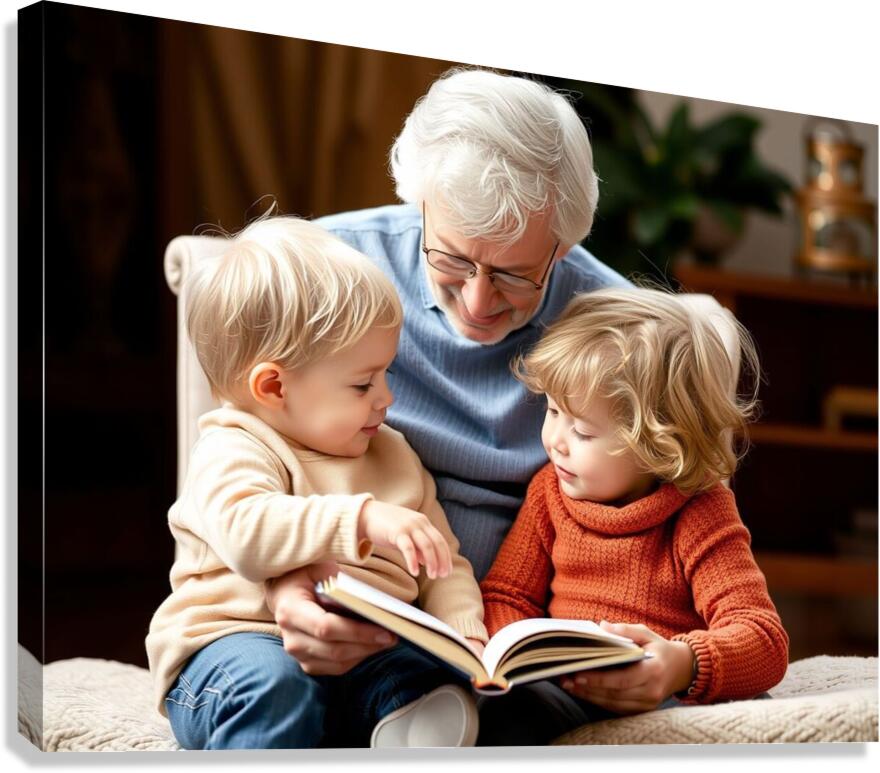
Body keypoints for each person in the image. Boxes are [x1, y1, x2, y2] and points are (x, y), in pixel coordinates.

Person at [265, 67, 631, 689]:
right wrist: (280, 585)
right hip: (344, 613)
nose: (479, 302)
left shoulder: (614, 326)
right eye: (453, 259)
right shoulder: (327, 273)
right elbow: (238, 456)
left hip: (522, 652)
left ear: (562, 247)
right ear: (421, 205)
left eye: (516, 274)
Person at [146, 215, 489, 749]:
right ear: (274, 386)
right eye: (362, 383)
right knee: (271, 686)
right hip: (233, 647)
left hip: (364, 658)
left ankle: (408, 733)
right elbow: (246, 532)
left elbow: (442, 562)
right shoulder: (235, 444)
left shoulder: (393, 452)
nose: (386, 399)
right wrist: (363, 517)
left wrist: (464, 634)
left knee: (425, 682)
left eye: (386, 375)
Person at [476, 287, 790, 745]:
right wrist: (514, 654)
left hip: (662, 695)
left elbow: (764, 640)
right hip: (564, 691)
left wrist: (680, 665)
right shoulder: (549, 491)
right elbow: (508, 595)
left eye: (582, 430)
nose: (555, 440)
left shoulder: (700, 509)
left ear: (658, 445)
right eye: (553, 410)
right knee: (508, 714)